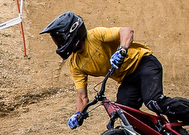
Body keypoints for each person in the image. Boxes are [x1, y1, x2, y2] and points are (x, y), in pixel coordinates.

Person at [40, 11, 169, 125]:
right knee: (125, 113)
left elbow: (126, 31)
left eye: (59, 39)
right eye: (56, 41)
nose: (59, 44)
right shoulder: (75, 64)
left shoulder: (95, 35)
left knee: (153, 101)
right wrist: (78, 114)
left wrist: (122, 50)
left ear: (72, 32)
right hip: (127, 79)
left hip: (143, 63)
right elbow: (82, 96)